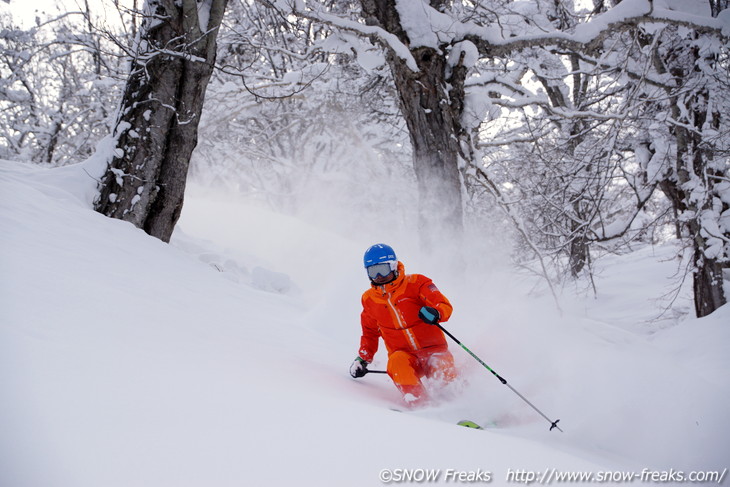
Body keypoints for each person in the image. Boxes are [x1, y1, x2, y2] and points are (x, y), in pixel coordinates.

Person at [349, 243, 457, 407]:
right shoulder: (370, 299)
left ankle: (460, 405)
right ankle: (421, 406)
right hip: (405, 356)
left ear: (393, 265)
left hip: (434, 351)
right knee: (396, 363)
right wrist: (363, 359)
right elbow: (369, 332)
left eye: (383, 269)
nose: (378, 276)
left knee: (440, 368)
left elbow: (444, 305)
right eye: (372, 271)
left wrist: (437, 313)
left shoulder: (416, 283)